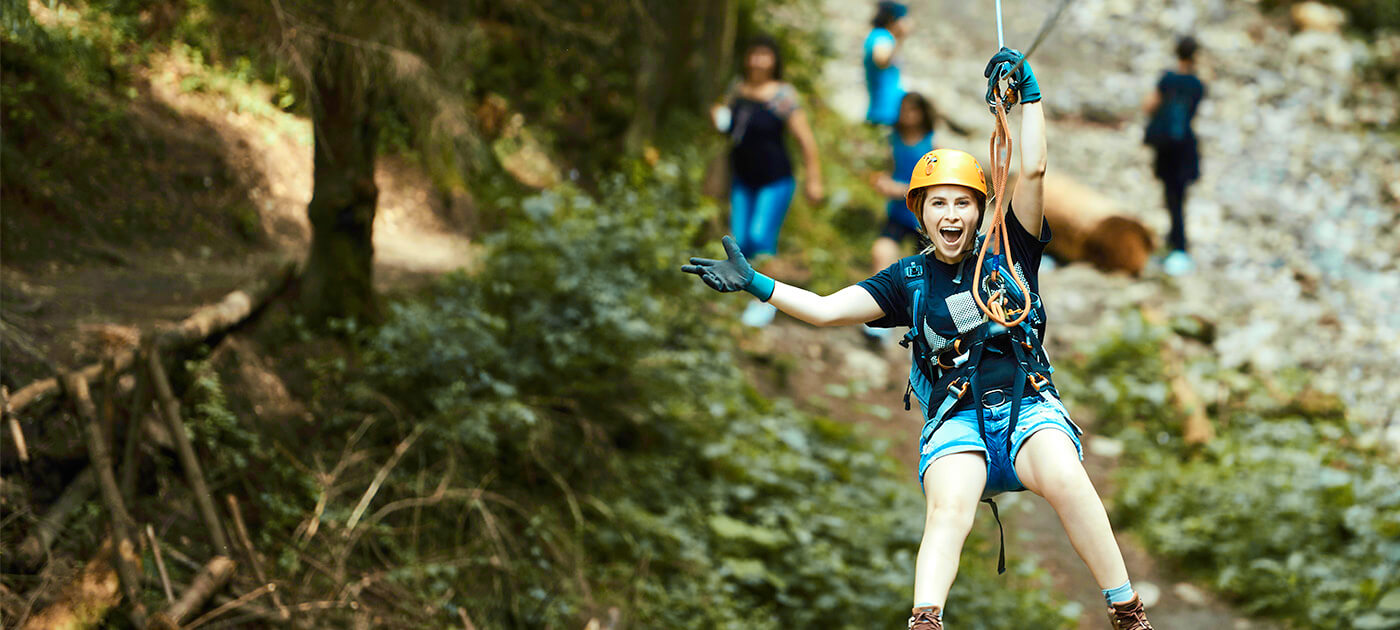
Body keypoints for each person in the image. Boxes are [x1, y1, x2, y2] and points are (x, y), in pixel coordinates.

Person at [685, 48, 1154, 630]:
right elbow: (828, 310)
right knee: (950, 507)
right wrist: (758, 283)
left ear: (980, 211)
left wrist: (1028, 100)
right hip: (957, 418)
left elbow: (1031, 171)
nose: (951, 214)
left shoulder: (1013, 248)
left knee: (1065, 477)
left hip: (1028, 404)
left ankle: (1126, 608)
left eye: (963, 203)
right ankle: (926, 620)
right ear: (920, 214)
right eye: (939, 204)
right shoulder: (907, 279)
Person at [711, 35, 824, 327]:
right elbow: (728, 123)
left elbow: (805, 140)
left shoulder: (782, 95)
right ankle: (746, 293)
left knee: (762, 237)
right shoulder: (738, 88)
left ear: (774, 60)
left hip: (775, 180)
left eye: (765, 55)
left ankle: (767, 302)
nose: (759, 61)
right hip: (743, 178)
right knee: (741, 240)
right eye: (754, 54)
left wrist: (814, 180)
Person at [866, 92, 936, 343]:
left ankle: (929, 329)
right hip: (896, 215)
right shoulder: (892, 139)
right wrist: (881, 181)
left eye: (913, 110)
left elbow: (937, 184)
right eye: (904, 110)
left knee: (930, 277)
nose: (907, 116)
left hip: (923, 220)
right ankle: (879, 317)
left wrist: (902, 190)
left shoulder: (933, 143)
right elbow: (884, 168)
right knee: (881, 253)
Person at [1142, 35, 1206, 277]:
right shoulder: (1197, 85)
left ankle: (1176, 243)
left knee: (1170, 195)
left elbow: (1149, 106)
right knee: (1180, 196)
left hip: (1165, 147)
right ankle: (1177, 242)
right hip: (1185, 146)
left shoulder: (1167, 79)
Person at [864, 2, 911, 126]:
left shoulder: (883, 37)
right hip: (884, 112)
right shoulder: (882, 36)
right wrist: (900, 39)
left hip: (890, 111)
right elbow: (881, 60)